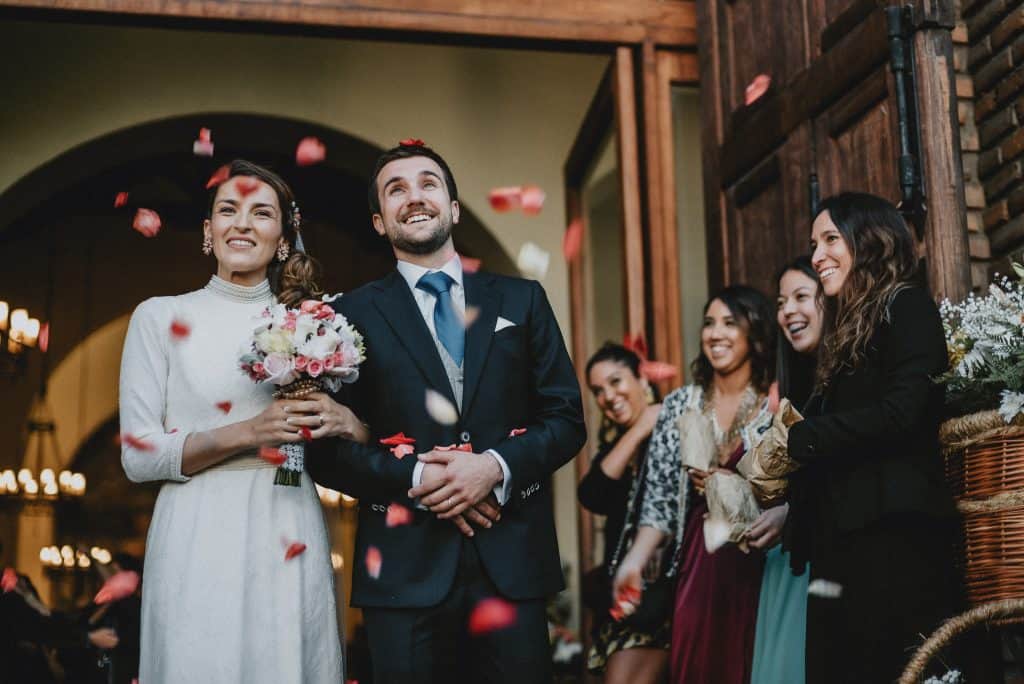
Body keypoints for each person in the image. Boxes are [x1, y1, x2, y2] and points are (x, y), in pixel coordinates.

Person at [304, 140, 586, 683]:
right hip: (403, 574)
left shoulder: (520, 300)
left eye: (428, 184)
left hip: (513, 562)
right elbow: (328, 452)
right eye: (396, 189)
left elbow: (566, 418)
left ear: (453, 208)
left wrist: (492, 469)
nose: (414, 197)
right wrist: (418, 477)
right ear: (379, 221)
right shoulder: (345, 316)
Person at [119, 160, 351, 682]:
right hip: (195, 526)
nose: (242, 223)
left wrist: (347, 423)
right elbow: (138, 456)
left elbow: (353, 442)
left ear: (284, 237)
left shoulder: (315, 325)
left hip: (286, 518)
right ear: (209, 231)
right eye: (229, 209)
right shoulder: (156, 317)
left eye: (261, 212)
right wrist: (251, 431)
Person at [784, 192, 959, 683]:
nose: (816, 256)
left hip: (894, 543)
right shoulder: (844, 334)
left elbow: (904, 411)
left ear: (869, 240)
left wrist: (809, 436)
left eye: (830, 239)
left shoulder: (907, 306)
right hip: (842, 548)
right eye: (813, 244)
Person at [612, 286, 776, 684]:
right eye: (708, 323)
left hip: (763, 559)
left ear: (755, 334)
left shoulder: (774, 405)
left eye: (729, 323)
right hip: (698, 565)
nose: (715, 333)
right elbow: (660, 500)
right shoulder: (679, 405)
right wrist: (634, 562)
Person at [747, 256, 822, 684]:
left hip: (820, 551)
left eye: (800, 297)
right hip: (787, 560)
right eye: (781, 302)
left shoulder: (844, 380)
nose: (788, 310)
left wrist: (791, 511)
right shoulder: (793, 388)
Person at [577, 343, 668, 683]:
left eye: (616, 382)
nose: (608, 396)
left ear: (641, 377)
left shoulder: (675, 429)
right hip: (625, 601)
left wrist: (652, 424)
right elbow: (591, 494)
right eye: (598, 391)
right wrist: (640, 427)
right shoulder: (618, 446)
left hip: (665, 597)